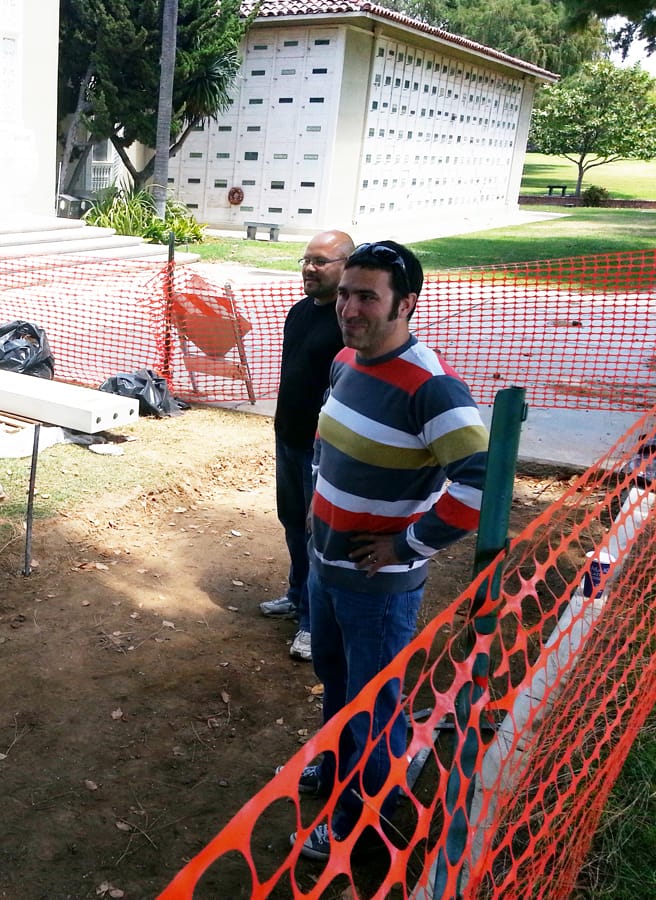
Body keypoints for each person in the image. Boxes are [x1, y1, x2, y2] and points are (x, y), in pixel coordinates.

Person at [289, 240, 489, 861]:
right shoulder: (348, 361)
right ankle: (337, 763)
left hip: (377, 585)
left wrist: (409, 541)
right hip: (327, 568)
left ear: (405, 303)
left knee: (373, 706)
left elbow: (483, 483)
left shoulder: (432, 389)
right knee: (336, 681)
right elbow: (331, 451)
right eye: (346, 293)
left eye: (366, 296)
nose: (349, 307)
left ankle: (360, 817)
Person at [260, 230, 354, 663]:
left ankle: (314, 625)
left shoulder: (347, 323)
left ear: (346, 267)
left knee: (319, 535)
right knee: (293, 523)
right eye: (306, 260)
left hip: (323, 450)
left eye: (321, 261)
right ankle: (297, 596)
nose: (309, 268)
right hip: (288, 437)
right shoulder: (299, 312)